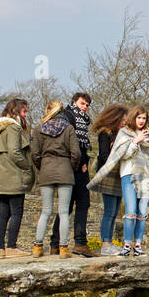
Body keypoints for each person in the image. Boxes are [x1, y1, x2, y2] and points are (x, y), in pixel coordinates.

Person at [88, 105, 149, 256]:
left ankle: (133, 245)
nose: (141, 121)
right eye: (138, 117)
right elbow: (118, 155)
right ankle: (112, 244)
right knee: (118, 211)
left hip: (142, 176)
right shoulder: (119, 133)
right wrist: (135, 142)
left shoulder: (143, 134)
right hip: (120, 175)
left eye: (144, 118)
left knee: (132, 212)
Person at [30, 100, 81, 259]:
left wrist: (42, 166)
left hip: (46, 169)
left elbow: (34, 154)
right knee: (64, 212)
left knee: (45, 211)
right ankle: (64, 248)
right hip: (65, 169)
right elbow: (76, 153)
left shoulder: (39, 129)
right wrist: (72, 167)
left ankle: (38, 247)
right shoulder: (69, 128)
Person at [0, 99, 35, 258]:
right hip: (13, 175)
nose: (26, 114)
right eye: (24, 111)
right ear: (15, 111)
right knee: (16, 212)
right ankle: (11, 246)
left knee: (3, 213)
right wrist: (27, 166)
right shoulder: (13, 127)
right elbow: (15, 152)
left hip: (1, 175)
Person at [50, 92, 94, 257]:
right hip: (72, 168)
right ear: (75, 102)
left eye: (87, 105)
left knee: (71, 206)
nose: (85, 107)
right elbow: (70, 144)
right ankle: (77, 243)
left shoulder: (80, 119)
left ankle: (58, 243)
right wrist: (81, 162)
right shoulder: (68, 116)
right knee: (77, 204)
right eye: (82, 103)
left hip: (75, 167)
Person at [92, 104, 127, 255]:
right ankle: (105, 244)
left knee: (115, 212)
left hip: (119, 176)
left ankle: (110, 242)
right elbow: (104, 156)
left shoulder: (123, 134)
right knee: (109, 211)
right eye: (123, 120)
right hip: (108, 176)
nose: (124, 123)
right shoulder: (104, 133)